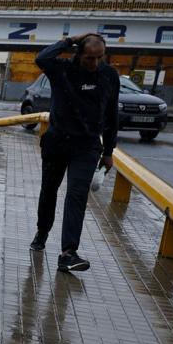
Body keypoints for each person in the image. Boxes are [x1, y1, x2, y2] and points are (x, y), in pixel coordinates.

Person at [29, 33, 119, 272]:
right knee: (49, 190)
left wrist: (109, 151)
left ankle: (68, 253)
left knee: (77, 195)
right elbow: (42, 58)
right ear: (79, 53)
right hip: (58, 141)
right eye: (90, 58)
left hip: (88, 146)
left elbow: (112, 116)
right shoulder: (62, 70)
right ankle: (42, 232)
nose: (95, 63)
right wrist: (68, 41)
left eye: (100, 57)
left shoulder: (109, 76)